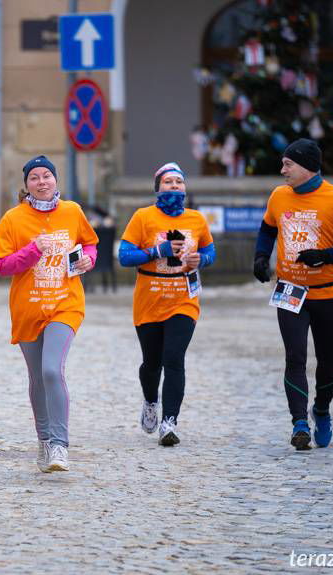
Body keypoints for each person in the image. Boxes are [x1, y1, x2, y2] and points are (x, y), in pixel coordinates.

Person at [253, 138, 333, 450]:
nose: (282, 169)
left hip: (327, 293)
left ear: (306, 166)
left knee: (327, 360)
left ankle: (322, 410)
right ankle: (299, 423)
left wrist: (326, 256)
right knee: (295, 357)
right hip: (290, 290)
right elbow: (267, 230)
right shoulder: (278, 196)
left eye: (288, 164)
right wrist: (261, 258)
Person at [0, 155, 99, 472]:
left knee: (52, 370)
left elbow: (90, 243)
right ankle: (43, 440)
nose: (42, 182)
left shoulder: (72, 211)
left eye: (47, 176)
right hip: (28, 308)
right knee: (37, 377)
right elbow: (0, 265)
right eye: (35, 178)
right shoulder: (13, 219)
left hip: (66, 303)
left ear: (56, 180)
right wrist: (33, 249)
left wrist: (88, 260)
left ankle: (59, 446)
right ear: (26, 186)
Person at [118, 162, 215, 446]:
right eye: (168, 182)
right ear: (158, 188)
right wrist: (157, 250)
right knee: (152, 363)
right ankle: (150, 400)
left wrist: (203, 259)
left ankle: (169, 422)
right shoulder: (142, 217)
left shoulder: (197, 219)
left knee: (174, 359)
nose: (175, 186)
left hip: (183, 299)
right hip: (149, 300)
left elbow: (209, 249)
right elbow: (124, 255)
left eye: (179, 182)